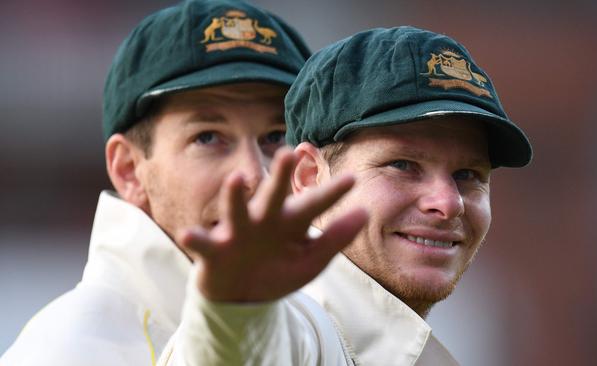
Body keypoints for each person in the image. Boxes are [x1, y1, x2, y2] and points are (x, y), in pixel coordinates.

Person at [1, 1, 368, 365]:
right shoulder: (66, 353)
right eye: (208, 138)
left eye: (274, 136)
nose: (255, 174)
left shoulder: (322, 327)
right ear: (129, 170)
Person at [158, 26, 533, 365]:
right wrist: (233, 309)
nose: (448, 202)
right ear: (308, 175)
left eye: (467, 174)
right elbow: (246, 348)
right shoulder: (300, 325)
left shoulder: (406, 348)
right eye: (402, 165)